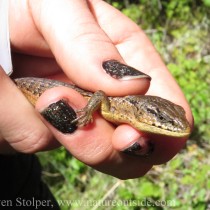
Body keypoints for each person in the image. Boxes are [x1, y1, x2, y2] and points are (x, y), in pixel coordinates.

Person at [0, 0, 193, 208]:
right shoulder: (120, 107)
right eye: (162, 117)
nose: (176, 124)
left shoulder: (127, 111)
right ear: (144, 112)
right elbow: (100, 94)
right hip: (26, 88)